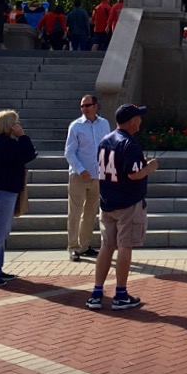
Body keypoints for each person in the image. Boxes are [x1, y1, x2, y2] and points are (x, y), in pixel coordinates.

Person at [87, 104, 158, 311]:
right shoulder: (129, 143)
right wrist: (150, 167)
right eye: (138, 117)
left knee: (107, 246)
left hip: (107, 201)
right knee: (125, 246)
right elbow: (134, 174)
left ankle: (96, 293)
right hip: (128, 202)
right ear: (132, 121)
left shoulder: (105, 140)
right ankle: (120, 294)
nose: (140, 120)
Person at [0, 109, 37, 287]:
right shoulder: (2, 143)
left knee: (2, 231)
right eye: (16, 123)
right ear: (9, 126)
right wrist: (23, 136)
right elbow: (28, 154)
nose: (18, 126)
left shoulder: (3, 142)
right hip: (1, 190)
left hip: (5, 189)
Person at [65, 94, 111, 262]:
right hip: (79, 176)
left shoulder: (104, 124)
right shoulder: (76, 126)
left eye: (87, 105)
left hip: (98, 175)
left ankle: (84, 245)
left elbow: (107, 147)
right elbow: (69, 152)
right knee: (75, 212)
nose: (84, 108)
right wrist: (80, 169)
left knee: (90, 212)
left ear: (95, 106)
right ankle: (73, 247)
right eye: (82, 106)